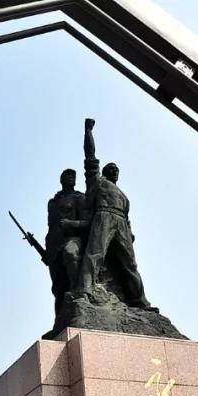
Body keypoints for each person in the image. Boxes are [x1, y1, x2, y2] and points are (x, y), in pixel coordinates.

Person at [73, 118, 151, 309]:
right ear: (105, 172)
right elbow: (90, 156)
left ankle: (139, 299)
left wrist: (130, 233)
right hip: (103, 216)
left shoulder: (124, 197)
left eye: (117, 170)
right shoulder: (98, 181)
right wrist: (88, 131)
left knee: (130, 264)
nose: (115, 172)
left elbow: (128, 219)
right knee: (95, 254)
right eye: (112, 169)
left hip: (121, 223)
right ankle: (84, 290)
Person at [45, 168, 89, 317]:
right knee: (58, 287)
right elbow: (51, 227)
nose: (71, 177)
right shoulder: (53, 202)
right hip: (54, 245)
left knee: (70, 253)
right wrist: (47, 250)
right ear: (61, 179)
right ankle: (60, 318)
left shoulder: (80, 198)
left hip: (73, 238)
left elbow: (88, 223)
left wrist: (71, 224)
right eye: (67, 175)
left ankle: (78, 293)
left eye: (73, 175)